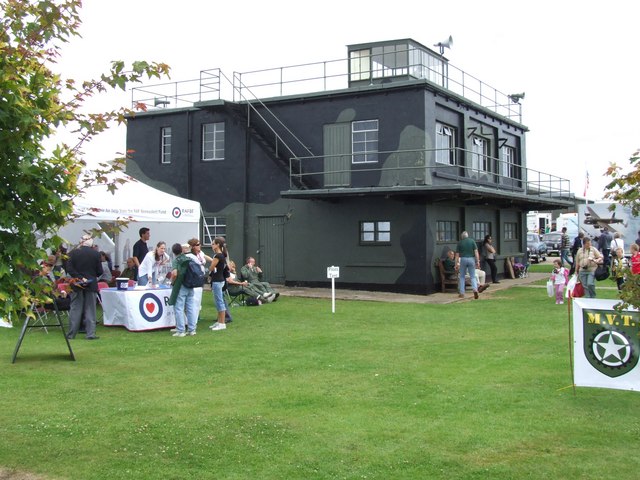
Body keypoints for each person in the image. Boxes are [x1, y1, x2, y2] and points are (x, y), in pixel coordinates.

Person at [65, 234, 103, 340]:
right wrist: (88, 277)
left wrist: (79, 277)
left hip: (76, 283)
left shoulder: (72, 253)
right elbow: (100, 271)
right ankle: (90, 333)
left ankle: (72, 333)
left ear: (80, 241)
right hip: (91, 284)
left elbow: (69, 268)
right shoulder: (96, 254)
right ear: (91, 243)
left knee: (75, 308)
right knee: (90, 309)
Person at [167, 243, 197, 337]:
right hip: (190, 285)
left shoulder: (176, 260)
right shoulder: (189, 258)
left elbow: (175, 273)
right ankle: (192, 330)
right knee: (190, 308)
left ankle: (181, 330)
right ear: (181, 250)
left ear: (173, 252)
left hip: (181, 285)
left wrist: (172, 281)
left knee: (179, 308)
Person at [187, 238, 211, 320]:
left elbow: (205, 257)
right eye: (197, 245)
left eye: (199, 244)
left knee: (199, 297)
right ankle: (192, 317)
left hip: (201, 277)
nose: (199, 246)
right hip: (194, 278)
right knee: (193, 297)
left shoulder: (200, 253)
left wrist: (213, 261)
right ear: (192, 247)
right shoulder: (190, 256)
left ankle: (197, 315)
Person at [209, 237, 229, 331]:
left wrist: (211, 269)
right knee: (218, 301)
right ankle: (219, 321)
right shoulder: (221, 255)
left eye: (213, 244)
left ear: (217, 245)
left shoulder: (218, 256)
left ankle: (222, 323)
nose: (212, 245)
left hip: (217, 280)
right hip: (219, 279)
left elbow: (211, 267)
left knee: (219, 302)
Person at [454, 231, 481, 300]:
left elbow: (457, 255)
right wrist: (477, 261)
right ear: (467, 236)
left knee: (462, 276)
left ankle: (462, 293)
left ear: (462, 237)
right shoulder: (472, 241)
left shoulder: (460, 243)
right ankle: (475, 289)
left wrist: (456, 263)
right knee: (472, 276)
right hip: (471, 259)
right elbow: (476, 252)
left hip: (463, 259)